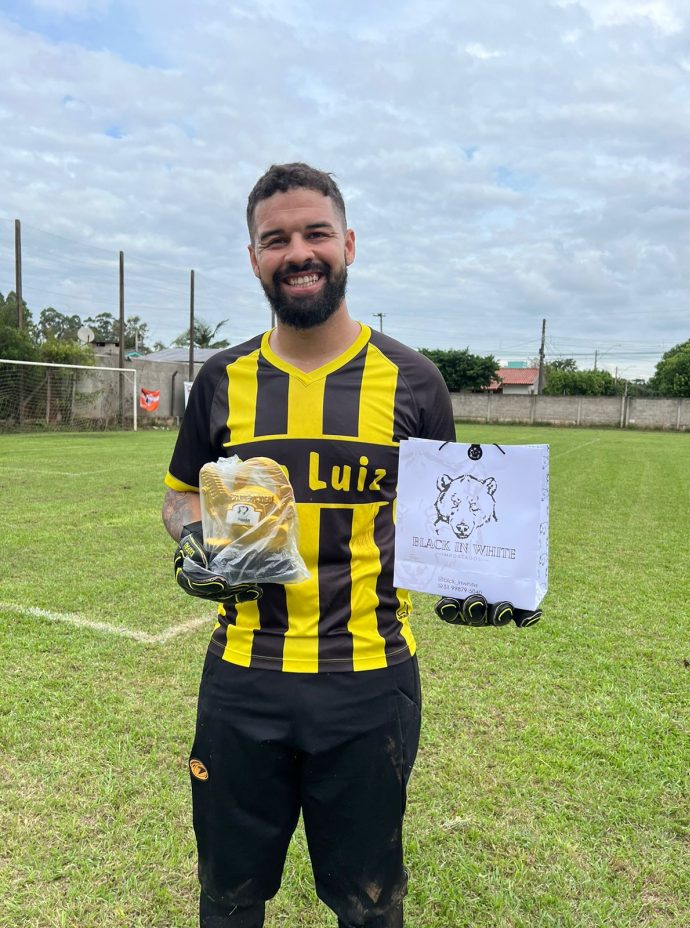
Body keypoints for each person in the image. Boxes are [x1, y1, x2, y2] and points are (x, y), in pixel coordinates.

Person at [162, 162, 455, 928]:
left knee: (369, 904)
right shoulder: (222, 379)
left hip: (370, 683)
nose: (298, 252)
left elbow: (449, 525)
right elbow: (181, 494)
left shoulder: (415, 382)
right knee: (229, 897)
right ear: (254, 257)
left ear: (348, 243)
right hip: (243, 678)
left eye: (316, 233)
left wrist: (491, 585)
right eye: (276, 239)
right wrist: (195, 539)